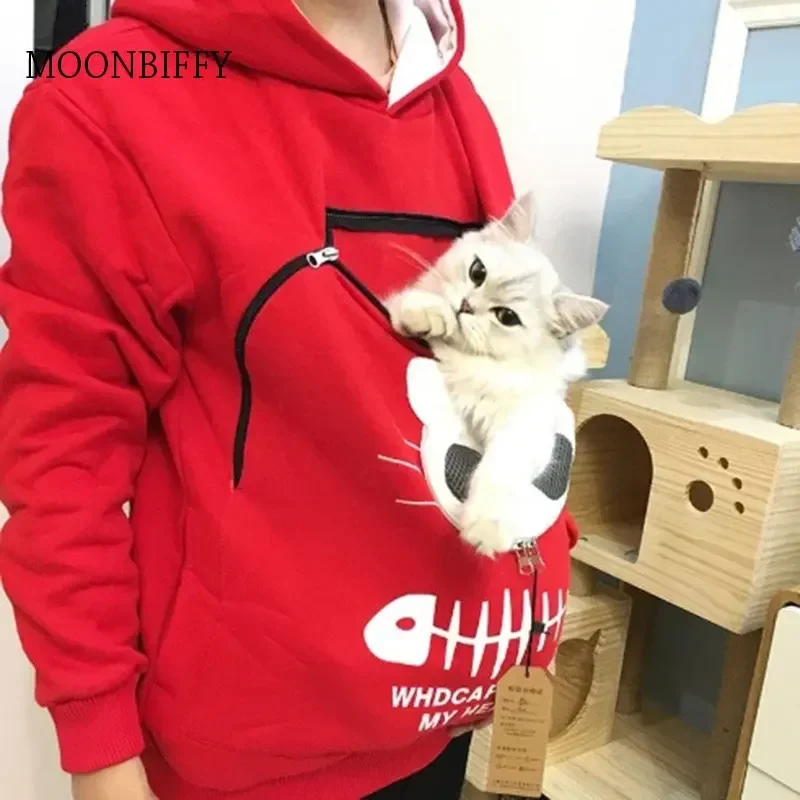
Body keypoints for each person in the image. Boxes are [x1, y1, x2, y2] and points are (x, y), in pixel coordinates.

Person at [0, 1, 578, 798]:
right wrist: (100, 750)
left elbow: (500, 365)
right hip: (250, 765)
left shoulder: (450, 91)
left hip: (446, 713)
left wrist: (540, 579)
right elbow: (63, 453)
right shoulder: (107, 95)